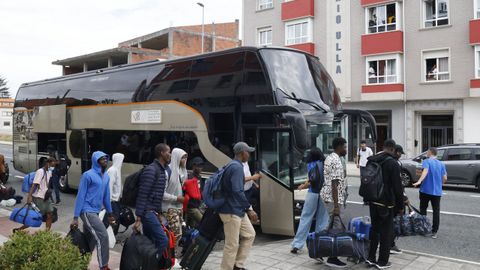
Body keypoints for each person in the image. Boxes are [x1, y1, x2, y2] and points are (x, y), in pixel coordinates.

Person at [71, 151, 115, 270]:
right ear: (96, 161)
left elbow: (106, 196)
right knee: (102, 236)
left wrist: (110, 214)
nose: (105, 160)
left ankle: (82, 264)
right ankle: (103, 266)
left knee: (90, 240)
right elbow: (80, 195)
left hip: (96, 211)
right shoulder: (88, 175)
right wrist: (75, 217)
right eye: (102, 159)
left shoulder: (106, 176)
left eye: (106, 158)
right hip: (86, 210)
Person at [218, 142, 257, 270]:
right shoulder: (236, 167)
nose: (249, 154)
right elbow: (237, 191)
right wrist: (249, 209)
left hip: (237, 209)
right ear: (242, 153)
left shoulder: (235, 165)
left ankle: (237, 265)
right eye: (248, 152)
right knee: (232, 244)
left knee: (250, 234)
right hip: (230, 210)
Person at [366, 139, 404, 269]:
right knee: (386, 233)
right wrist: (400, 206)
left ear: (383, 147)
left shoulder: (372, 160)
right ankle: (382, 261)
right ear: (393, 149)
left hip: (372, 200)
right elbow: (398, 188)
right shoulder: (392, 163)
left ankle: (370, 257)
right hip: (386, 203)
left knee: (374, 230)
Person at [133, 144, 171, 266]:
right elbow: (143, 194)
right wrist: (138, 217)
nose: (170, 155)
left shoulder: (161, 169)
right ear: (161, 153)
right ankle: (151, 264)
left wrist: (159, 214)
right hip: (147, 212)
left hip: (153, 212)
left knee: (151, 242)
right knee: (163, 240)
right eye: (168, 152)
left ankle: (145, 265)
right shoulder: (151, 170)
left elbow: (157, 196)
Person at [291, 147, 329, 256]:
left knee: (305, 218)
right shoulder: (325, 163)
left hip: (312, 193)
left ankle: (297, 244)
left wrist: (303, 185)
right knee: (322, 220)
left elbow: (311, 180)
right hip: (324, 193)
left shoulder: (311, 164)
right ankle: (318, 244)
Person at [321, 137, 348, 268]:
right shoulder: (336, 161)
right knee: (337, 228)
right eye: (345, 147)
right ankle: (332, 257)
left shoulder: (329, 157)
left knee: (329, 227)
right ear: (339, 146)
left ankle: (319, 249)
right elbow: (334, 184)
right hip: (333, 199)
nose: (346, 149)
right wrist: (337, 206)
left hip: (328, 197)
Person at [14, 157, 56, 232]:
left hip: (45, 197)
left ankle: (46, 233)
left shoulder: (49, 172)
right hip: (38, 197)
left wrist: (49, 194)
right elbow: (34, 185)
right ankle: (19, 229)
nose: (53, 167)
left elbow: (47, 184)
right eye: (52, 165)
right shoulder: (40, 172)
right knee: (35, 216)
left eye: (54, 166)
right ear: (47, 163)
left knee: (50, 215)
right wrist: (29, 196)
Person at [412, 147, 447, 239]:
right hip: (437, 192)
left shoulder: (426, 161)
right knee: (436, 211)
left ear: (430, 152)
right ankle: (434, 231)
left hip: (425, 190)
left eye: (427, 151)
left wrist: (419, 181)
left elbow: (425, 172)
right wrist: (440, 183)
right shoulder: (441, 164)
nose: (427, 153)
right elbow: (445, 178)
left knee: (423, 209)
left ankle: (423, 228)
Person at [163, 148, 187, 246]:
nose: (185, 160)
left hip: (178, 207)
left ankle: (171, 255)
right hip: (168, 206)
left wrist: (181, 206)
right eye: (182, 157)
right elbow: (162, 194)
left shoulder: (184, 172)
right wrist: (177, 198)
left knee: (176, 234)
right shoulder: (167, 172)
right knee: (176, 233)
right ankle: (169, 255)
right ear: (176, 157)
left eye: (186, 157)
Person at [390, 144, 406, 255]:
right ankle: (391, 245)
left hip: (384, 198)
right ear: (397, 152)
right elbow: (398, 186)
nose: (400, 156)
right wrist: (402, 204)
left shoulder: (385, 161)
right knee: (393, 223)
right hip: (394, 199)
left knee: (387, 223)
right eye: (400, 153)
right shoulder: (395, 164)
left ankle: (387, 244)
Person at [183, 157, 204, 228]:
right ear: (193, 166)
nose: (200, 168)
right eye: (198, 166)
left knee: (191, 226)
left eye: (201, 166)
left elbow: (200, 191)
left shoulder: (199, 177)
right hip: (191, 206)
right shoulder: (190, 177)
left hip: (197, 205)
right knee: (202, 221)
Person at [107, 153, 124, 221]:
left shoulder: (117, 170)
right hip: (112, 200)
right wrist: (109, 201)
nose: (122, 162)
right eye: (121, 160)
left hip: (117, 200)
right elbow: (109, 186)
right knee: (114, 219)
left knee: (116, 218)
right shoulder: (112, 170)